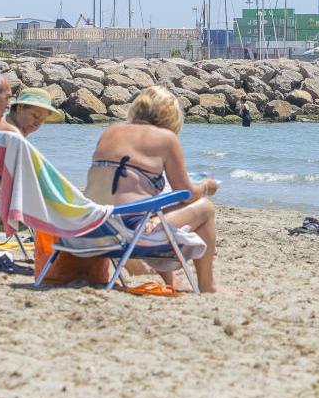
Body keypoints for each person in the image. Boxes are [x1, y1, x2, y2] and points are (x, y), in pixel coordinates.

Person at [84, 85, 226, 293]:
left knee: (153, 209)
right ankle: (207, 285)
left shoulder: (110, 131)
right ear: (171, 116)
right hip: (129, 230)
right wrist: (205, 187)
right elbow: (186, 193)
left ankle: (172, 281)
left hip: (92, 224)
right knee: (204, 208)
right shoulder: (166, 139)